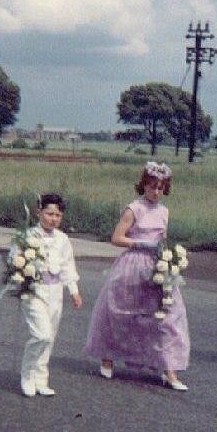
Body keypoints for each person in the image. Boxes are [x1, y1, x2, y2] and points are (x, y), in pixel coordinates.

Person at [83, 162, 190, 391]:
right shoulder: (134, 208)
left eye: (161, 188)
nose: (157, 192)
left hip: (157, 266)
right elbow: (116, 238)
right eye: (152, 187)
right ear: (144, 186)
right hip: (133, 264)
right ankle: (108, 357)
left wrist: (169, 258)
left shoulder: (164, 211)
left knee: (167, 316)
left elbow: (163, 240)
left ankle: (169, 370)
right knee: (121, 313)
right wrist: (141, 243)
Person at [15, 193, 83, 397]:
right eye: (49, 213)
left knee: (50, 337)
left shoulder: (62, 239)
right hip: (34, 291)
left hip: (56, 292)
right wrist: (22, 278)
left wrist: (74, 291)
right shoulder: (28, 236)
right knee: (41, 334)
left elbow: (67, 265)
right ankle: (27, 374)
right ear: (39, 212)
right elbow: (15, 260)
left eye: (58, 215)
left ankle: (41, 378)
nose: (53, 218)